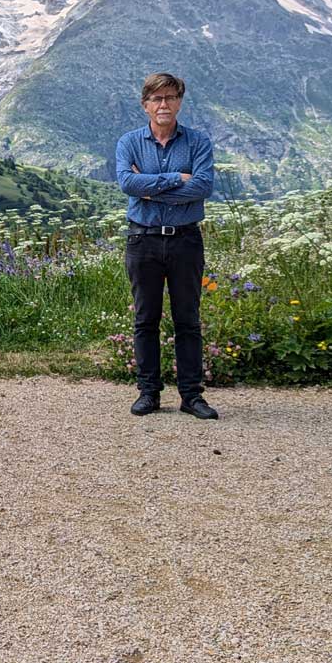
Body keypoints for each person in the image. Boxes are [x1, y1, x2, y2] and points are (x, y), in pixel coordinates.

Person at [115, 72, 218, 419]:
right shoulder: (129, 142)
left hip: (186, 239)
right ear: (145, 105)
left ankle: (192, 396)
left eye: (171, 97)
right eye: (157, 98)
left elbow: (202, 188)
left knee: (187, 319)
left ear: (179, 102)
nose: (164, 104)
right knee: (146, 318)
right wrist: (176, 179)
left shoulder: (198, 142)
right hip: (142, 238)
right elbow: (127, 183)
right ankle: (149, 393)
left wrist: (151, 189)